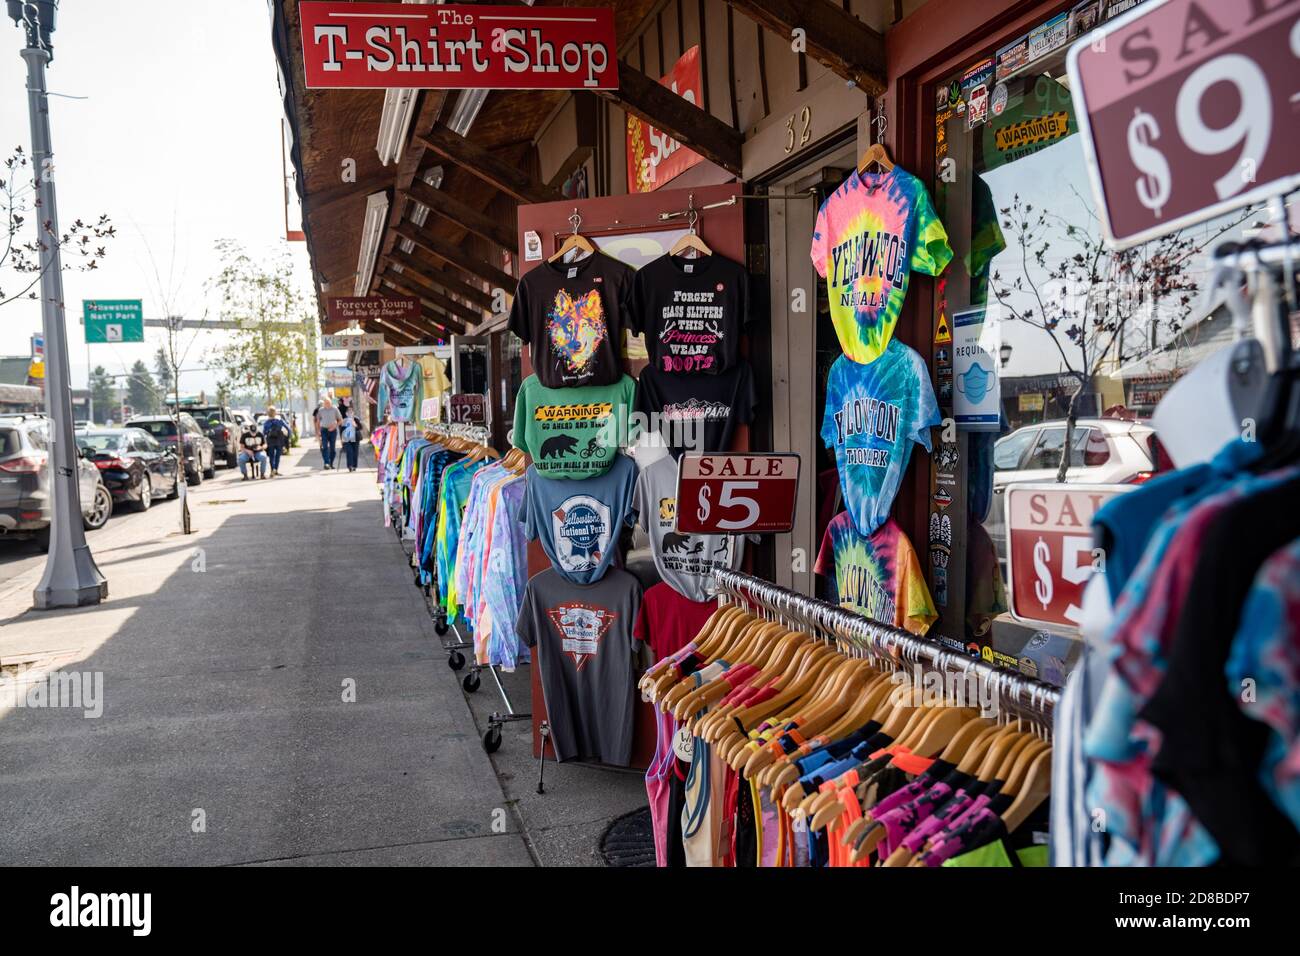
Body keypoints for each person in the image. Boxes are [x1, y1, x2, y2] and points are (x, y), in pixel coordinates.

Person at [262, 406, 291, 477]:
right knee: (277, 456)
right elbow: (288, 429)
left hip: (270, 441)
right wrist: (288, 438)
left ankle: (272, 470)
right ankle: (276, 470)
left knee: (271, 456)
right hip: (279, 441)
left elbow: (264, 433)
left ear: (268, 413)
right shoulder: (279, 421)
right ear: (275, 413)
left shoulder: (266, 423)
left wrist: (264, 442)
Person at [317, 396, 341, 470]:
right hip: (324, 430)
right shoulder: (321, 410)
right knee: (324, 447)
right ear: (324, 403)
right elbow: (318, 421)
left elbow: (340, 420)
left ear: (331, 403)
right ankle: (326, 463)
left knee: (332, 449)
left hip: (333, 431)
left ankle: (331, 463)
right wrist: (318, 430)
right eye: (325, 403)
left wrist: (334, 427)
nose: (327, 404)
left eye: (328, 403)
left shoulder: (335, 409)